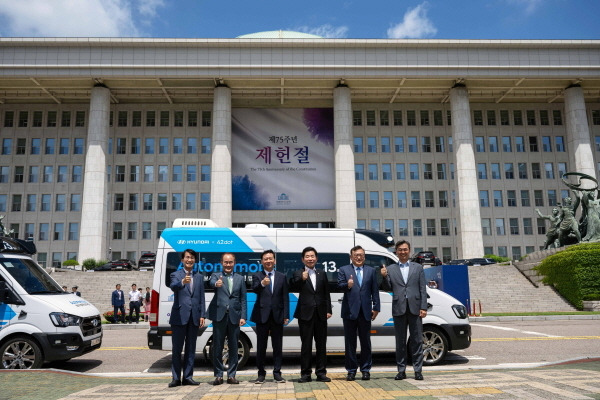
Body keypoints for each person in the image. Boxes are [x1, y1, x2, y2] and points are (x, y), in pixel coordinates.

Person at [381, 240, 427, 381]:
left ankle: (418, 370)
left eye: (405, 249)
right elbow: (388, 287)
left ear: (409, 250)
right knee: (400, 342)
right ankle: (401, 371)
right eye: (400, 250)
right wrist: (384, 276)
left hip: (415, 308)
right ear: (396, 251)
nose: (402, 252)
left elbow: (422, 289)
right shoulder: (391, 268)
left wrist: (423, 307)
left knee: (417, 341)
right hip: (399, 308)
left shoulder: (417, 268)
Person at [337, 245, 380, 381]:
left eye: (361, 255)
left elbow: (375, 291)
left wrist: (376, 307)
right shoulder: (344, 270)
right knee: (350, 343)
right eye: (356, 255)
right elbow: (339, 286)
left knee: (365, 342)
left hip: (366, 312)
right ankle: (351, 370)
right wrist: (347, 285)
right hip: (350, 312)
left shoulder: (371, 271)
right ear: (351, 257)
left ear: (364, 256)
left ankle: (366, 369)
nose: (359, 257)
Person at [290, 246, 332, 383]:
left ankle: (321, 373)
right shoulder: (298, 273)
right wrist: (301, 279)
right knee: (306, 345)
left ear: (316, 258)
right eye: (307, 256)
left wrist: (328, 310)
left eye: (312, 256)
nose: (310, 258)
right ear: (303, 259)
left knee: (321, 345)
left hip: (320, 314)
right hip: (305, 314)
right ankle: (305, 374)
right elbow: (292, 286)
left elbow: (326, 293)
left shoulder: (321, 273)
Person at [250, 250, 289, 384]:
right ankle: (261, 374)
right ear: (262, 262)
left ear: (275, 261)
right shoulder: (257, 275)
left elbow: (285, 297)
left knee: (278, 346)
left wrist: (286, 315)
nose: (268, 261)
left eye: (270, 259)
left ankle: (277, 373)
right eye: (265, 259)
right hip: (262, 315)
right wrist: (262, 284)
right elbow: (254, 288)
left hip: (277, 316)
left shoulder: (281, 276)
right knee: (261, 346)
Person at [168, 249, 206, 388]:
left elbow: (201, 297)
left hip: (194, 317)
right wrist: (182, 282)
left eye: (192, 258)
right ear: (182, 260)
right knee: (177, 349)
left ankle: (188, 377)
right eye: (187, 258)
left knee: (191, 349)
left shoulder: (199, 277)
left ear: (195, 260)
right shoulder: (175, 275)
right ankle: (176, 378)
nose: (190, 260)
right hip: (179, 317)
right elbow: (173, 287)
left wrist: (202, 315)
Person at [208, 252, 247, 385]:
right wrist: (216, 284)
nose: (228, 264)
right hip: (219, 316)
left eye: (230, 262)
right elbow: (211, 282)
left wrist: (243, 316)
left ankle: (232, 375)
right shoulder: (216, 275)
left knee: (234, 347)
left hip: (234, 317)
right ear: (221, 263)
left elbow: (243, 299)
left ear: (234, 263)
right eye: (226, 262)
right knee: (217, 346)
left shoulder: (240, 278)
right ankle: (218, 375)